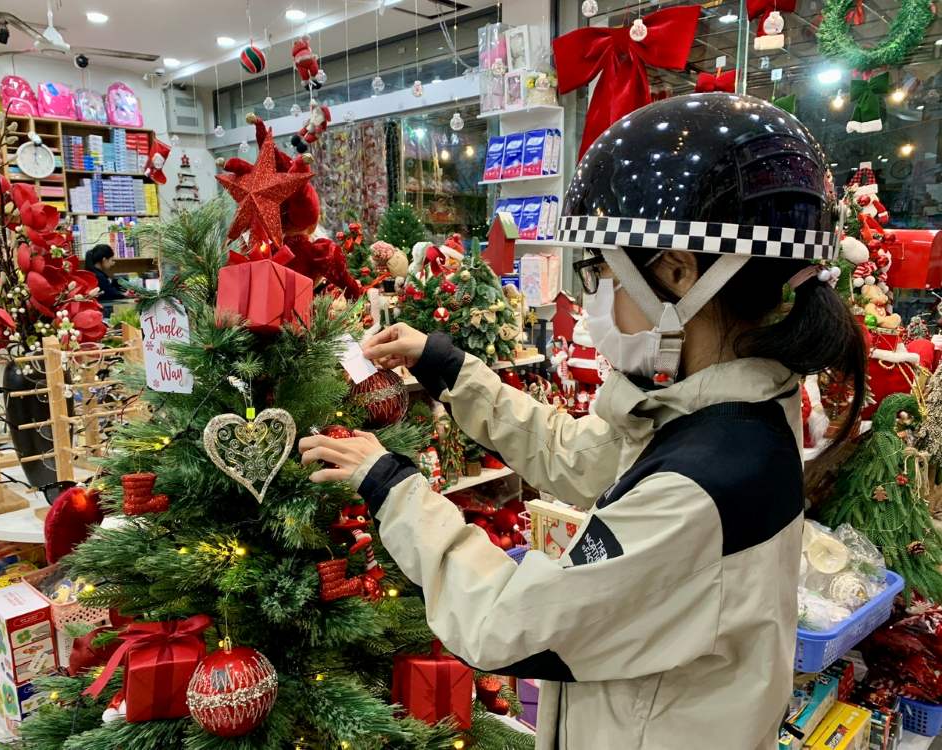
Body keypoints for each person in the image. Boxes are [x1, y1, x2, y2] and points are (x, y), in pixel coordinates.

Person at [300, 94, 866, 750]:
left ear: (680, 274)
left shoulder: (709, 480)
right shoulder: (717, 415)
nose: (593, 301)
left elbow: (508, 622)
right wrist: (449, 368)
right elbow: (579, 454)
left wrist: (391, 487)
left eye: (602, 276)